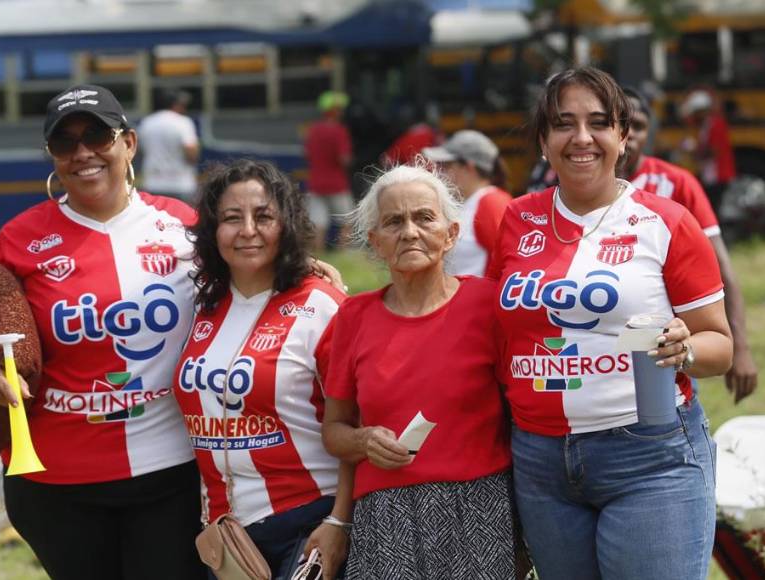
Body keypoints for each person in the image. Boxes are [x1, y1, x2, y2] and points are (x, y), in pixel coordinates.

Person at [0, 84, 206, 580]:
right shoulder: (20, 239)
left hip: (175, 473)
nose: (83, 153)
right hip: (57, 484)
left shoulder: (184, 224)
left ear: (128, 143)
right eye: (65, 143)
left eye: (97, 135)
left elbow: (254, 282)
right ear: (52, 157)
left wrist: (306, 269)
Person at [492, 67, 732, 579]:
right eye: (563, 124)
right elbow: (485, 321)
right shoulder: (515, 219)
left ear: (623, 137)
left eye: (599, 123)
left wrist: (682, 349)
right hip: (540, 459)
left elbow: (719, 345)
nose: (582, 138)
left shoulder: (666, 221)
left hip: (649, 454)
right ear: (543, 141)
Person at [322, 165, 515, 579]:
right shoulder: (353, 317)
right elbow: (334, 431)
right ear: (375, 242)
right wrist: (363, 439)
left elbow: (520, 414)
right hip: (384, 516)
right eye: (394, 222)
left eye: (424, 218)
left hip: (481, 509)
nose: (410, 232)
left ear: (451, 234)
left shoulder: (488, 305)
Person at [176, 159, 352, 579]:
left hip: (310, 519)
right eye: (232, 218)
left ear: (286, 224)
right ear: (212, 231)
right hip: (228, 535)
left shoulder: (323, 305)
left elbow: (355, 425)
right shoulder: (201, 307)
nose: (248, 230)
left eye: (264, 216)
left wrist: (339, 523)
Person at [620, 87, 758, 403]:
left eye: (639, 127)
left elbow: (722, 268)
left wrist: (740, 347)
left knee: (662, 416)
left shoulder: (676, 184)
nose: (631, 137)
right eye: (622, 124)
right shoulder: (571, 187)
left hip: (662, 345)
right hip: (591, 356)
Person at [422, 129, 512, 277]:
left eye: (447, 165)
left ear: (468, 167)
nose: (441, 172)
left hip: (481, 298)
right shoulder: (469, 202)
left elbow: (506, 263)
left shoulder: (492, 203)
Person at [304, 91, 354, 250]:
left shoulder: (313, 130)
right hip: (336, 184)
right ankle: (342, 253)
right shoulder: (339, 131)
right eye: (339, 109)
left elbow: (307, 154)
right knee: (348, 221)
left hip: (316, 183)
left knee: (318, 223)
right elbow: (344, 159)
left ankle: (318, 256)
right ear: (334, 110)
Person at [137, 88, 200, 203]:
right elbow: (191, 153)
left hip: (153, 183)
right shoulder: (183, 122)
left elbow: (140, 150)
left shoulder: (146, 123)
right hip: (181, 184)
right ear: (175, 104)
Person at [681, 88, 737, 206]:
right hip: (711, 175)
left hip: (718, 176)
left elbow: (714, 151)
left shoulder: (716, 124)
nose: (694, 117)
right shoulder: (706, 126)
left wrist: (695, 151)